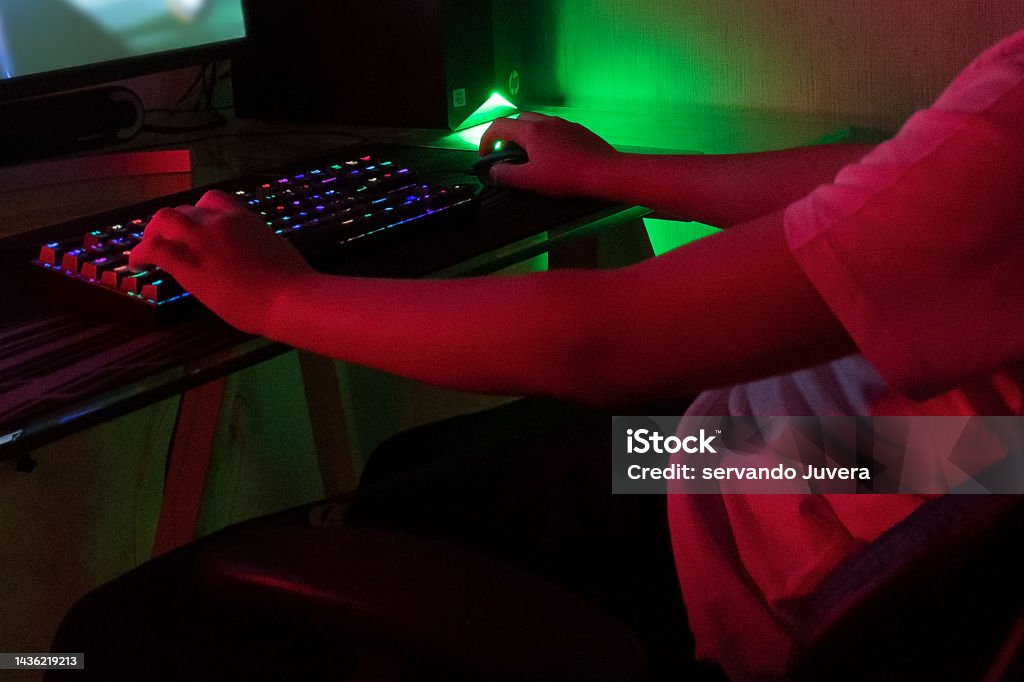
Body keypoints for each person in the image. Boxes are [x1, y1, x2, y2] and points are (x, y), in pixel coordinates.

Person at [60, 26, 1024, 681]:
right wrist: (612, 174)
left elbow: (603, 341)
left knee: (127, 633)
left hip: (808, 498)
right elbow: (891, 179)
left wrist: (277, 293)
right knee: (420, 468)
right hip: (937, 461)